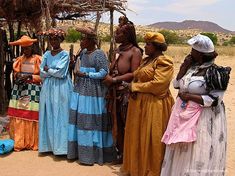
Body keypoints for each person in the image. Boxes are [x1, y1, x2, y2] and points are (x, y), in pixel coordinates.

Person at [160, 34, 229, 176]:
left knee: (198, 150)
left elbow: (215, 99)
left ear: (202, 54)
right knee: (182, 151)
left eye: (194, 51)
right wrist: (183, 67)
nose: (191, 53)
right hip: (184, 115)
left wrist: (189, 96)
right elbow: (177, 85)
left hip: (203, 119)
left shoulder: (215, 72)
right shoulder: (192, 68)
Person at [121, 32, 174, 176]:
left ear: (156, 46)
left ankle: (151, 170)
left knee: (152, 137)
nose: (145, 47)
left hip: (154, 105)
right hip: (139, 104)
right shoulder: (146, 60)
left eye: (148, 44)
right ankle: (137, 168)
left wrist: (134, 87)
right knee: (137, 135)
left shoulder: (164, 62)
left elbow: (159, 85)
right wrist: (132, 85)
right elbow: (138, 76)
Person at [67, 27, 116, 165]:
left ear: (90, 41)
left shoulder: (99, 54)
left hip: (93, 92)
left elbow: (103, 72)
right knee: (80, 118)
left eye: (83, 39)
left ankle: (92, 154)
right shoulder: (82, 53)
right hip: (80, 89)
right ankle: (79, 152)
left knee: (91, 119)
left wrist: (87, 75)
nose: (81, 41)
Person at [103, 19, 142, 162]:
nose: (116, 36)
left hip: (126, 93)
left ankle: (130, 155)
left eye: (118, 34)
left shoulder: (135, 51)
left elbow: (134, 73)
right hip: (114, 93)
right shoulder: (118, 50)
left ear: (127, 35)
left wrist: (114, 80)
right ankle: (120, 152)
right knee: (117, 123)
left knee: (127, 124)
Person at [39, 28, 73, 155]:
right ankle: (48, 145)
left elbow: (61, 73)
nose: (53, 41)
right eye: (51, 39)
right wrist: (50, 71)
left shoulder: (65, 55)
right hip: (48, 87)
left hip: (61, 87)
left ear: (61, 40)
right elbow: (41, 71)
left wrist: (49, 70)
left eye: (56, 39)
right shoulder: (46, 54)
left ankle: (62, 147)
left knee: (61, 113)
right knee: (49, 112)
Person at [7, 35, 41, 151]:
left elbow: (42, 77)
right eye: (23, 49)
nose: (25, 51)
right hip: (20, 90)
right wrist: (18, 76)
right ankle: (21, 140)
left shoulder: (38, 59)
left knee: (32, 115)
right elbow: (16, 73)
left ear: (32, 48)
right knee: (21, 114)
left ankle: (32, 141)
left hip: (34, 90)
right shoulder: (19, 60)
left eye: (27, 48)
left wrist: (30, 76)